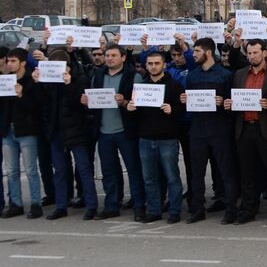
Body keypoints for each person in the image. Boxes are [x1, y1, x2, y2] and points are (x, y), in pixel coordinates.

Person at [228, 39, 267, 225]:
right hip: (244, 128)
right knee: (247, 173)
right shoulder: (239, 74)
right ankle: (248, 209)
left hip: (266, 129)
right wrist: (230, 104)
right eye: (250, 53)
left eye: (256, 52)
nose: (252, 56)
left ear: (264, 53)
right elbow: (235, 98)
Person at [182, 37, 238, 225]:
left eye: (196, 51)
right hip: (198, 129)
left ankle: (231, 208)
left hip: (220, 129)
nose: (193, 54)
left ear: (207, 52)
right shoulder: (192, 75)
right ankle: (197, 209)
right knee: (196, 172)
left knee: (226, 171)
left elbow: (233, 102)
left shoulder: (225, 75)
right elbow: (189, 99)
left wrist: (224, 103)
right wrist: (185, 99)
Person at [86, 44, 145, 220]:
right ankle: (111, 205)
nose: (109, 58)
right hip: (104, 131)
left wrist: (125, 102)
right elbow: (93, 102)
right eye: (107, 55)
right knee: (109, 171)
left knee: (134, 171)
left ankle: (139, 206)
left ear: (123, 57)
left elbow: (141, 104)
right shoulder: (97, 76)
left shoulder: (133, 76)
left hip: (126, 131)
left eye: (113, 55)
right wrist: (86, 101)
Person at [38, 49, 97, 220]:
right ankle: (61, 205)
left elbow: (81, 103)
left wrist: (69, 84)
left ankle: (91, 205)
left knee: (84, 168)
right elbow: (44, 103)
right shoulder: (48, 80)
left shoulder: (80, 77)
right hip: (57, 130)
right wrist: (39, 83)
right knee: (60, 170)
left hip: (77, 130)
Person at [128, 51, 186, 224]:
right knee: (149, 178)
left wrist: (173, 110)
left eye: (157, 63)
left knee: (172, 176)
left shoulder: (174, 85)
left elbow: (183, 109)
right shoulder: (141, 87)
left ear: (164, 65)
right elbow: (136, 115)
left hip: (167, 139)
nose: (153, 66)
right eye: (150, 64)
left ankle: (175, 211)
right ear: (146, 66)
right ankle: (154, 210)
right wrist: (131, 108)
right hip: (145, 139)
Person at [1, 48, 44, 219]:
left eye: (13, 61)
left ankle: (35, 204)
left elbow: (36, 107)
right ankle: (16, 204)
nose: (9, 64)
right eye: (8, 61)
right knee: (11, 171)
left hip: (26, 131)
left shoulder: (31, 81)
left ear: (23, 63)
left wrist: (21, 95)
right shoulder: (4, 80)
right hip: (8, 131)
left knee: (31, 170)